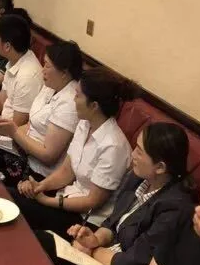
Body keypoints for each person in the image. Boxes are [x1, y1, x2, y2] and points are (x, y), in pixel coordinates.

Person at [36, 122, 193, 265]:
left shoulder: (174, 208)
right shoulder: (138, 178)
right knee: (42, 241)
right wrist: (95, 239)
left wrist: (93, 250)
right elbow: (112, 222)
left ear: (160, 167)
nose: (133, 154)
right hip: (103, 258)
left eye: (139, 151)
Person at [10, 67, 135, 234]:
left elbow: (92, 201)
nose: (73, 99)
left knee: (14, 205)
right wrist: (39, 187)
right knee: (11, 196)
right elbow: (66, 172)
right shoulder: (85, 124)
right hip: (66, 200)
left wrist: (46, 201)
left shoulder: (113, 146)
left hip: (85, 222)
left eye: (78, 95)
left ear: (94, 106)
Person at [0, 40, 83, 182]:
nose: (42, 70)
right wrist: (0, 132)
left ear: (64, 72)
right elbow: (30, 125)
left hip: (37, 173)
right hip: (21, 152)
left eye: (47, 66)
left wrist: (14, 132)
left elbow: (48, 156)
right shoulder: (51, 85)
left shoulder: (70, 103)